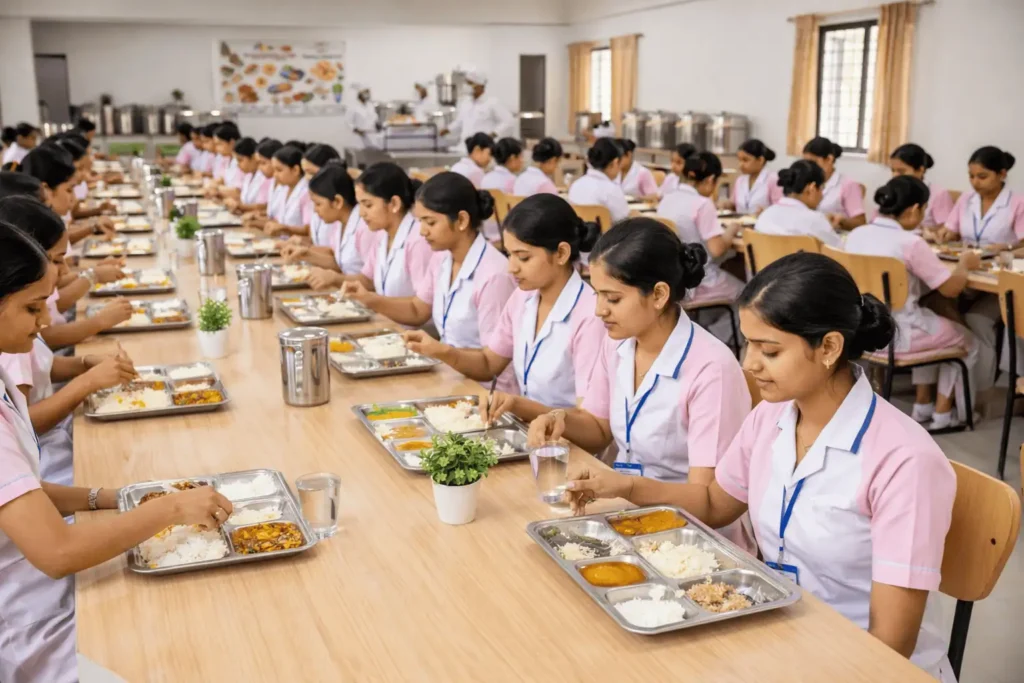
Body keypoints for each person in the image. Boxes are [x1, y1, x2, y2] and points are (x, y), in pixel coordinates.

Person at [563, 251, 956, 682]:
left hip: (858, 662)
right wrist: (625, 487)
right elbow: (715, 502)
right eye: (748, 344)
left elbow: (891, 644)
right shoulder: (773, 416)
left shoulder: (903, 460)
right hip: (782, 634)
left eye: (769, 350)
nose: (749, 363)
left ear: (828, 347)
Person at [0, 219, 235, 682]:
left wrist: (114, 496)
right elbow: (58, 553)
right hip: (28, 612)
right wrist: (171, 508)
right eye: (32, 308)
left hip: (36, 581)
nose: (46, 320)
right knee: (187, 640)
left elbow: (19, 492)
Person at [527, 218, 751, 487]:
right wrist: (558, 418)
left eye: (613, 299)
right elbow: (598, 428)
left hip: (685, 519)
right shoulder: (617, 343)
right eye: (597, 294)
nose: (599, 310)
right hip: (627, 503)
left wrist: (630, 489)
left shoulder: (711, 368)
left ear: (658, 295)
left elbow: (704, 496)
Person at [405, 194, 604, 422]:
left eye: (523, 258)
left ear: (561, 253)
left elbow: (591, 424)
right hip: (530, 431)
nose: (511, 268)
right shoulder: (523, 297)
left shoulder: (590, 315)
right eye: (509, 255)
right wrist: (440, 350)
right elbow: (490, 363)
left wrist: (520, 405)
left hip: (571, 445)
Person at [0, 197, 136, 485]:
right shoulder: (11, 334)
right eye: (58, 259)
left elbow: (40, 364)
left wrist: (86, 364)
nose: (64, 270)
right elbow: (26, 423)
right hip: (46, 463)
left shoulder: (17, 321)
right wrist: (86, 382)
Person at [341, 172, 517, 386]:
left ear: (461, 220)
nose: (422, 232)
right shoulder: (443, 258)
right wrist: (368, 298)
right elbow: (418, 309)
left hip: (485, 390)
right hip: (451, 375)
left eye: (430, 222)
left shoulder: (494, 275)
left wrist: (441, 351)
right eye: (420, 221)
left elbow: (490, 364)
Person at [846, 176, 989, 430]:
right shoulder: (910, 243)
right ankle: (945, 415)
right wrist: (965, 264)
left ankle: (923, 406)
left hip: (861, 330)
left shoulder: (856, 234)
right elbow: (950, 289)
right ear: (914, 209)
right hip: (898, 336)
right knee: (968, 341)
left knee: (936, 326)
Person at [934, 146, 1024, 377]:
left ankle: (982, 390)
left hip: (998, 282)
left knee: (977, 320)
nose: (975, 182)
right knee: (938, 305)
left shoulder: (1017, 203)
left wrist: (1007, 248)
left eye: (982, 176)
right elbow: (951, 231)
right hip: (969, 275)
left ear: (1002, 174)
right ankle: (952, 385)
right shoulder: (966, 199)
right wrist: (944, 234)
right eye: (971, 176)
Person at [657, 152, 744, 344]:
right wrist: (731, 230)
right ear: (711, 180)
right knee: (748, 295)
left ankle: (702, 335)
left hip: (673, 276)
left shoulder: (667, 198)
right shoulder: (702, 204)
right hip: (700, 280)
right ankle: (713, 340)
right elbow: (716, 249)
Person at [308, 162, 430, 297]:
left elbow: (421, 307)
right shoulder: (382, 234)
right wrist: (334, 278)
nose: (361, 213)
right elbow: (367, 279)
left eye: (368, 205)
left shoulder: (418, 241)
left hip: (393, 317)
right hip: (385, 316)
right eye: (360, 204)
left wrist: (371, 301)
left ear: (394, 203)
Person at [290, 164, 373, 284]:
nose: (315, 210)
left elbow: (371, 281)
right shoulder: (341, 223)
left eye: (318, 204)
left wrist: (335, 279)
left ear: (337, 202)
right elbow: (339, 263)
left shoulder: (364, 228)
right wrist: (307, 254)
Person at [754, 160, 842, 247]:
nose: (822, 196)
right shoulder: (815, 219)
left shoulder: (765, 215)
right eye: (822, 188)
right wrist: (827, 227)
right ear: (812, 188)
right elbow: (839, 251)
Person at [802, 136, 866, 230]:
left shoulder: (848, 185)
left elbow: (861, 223)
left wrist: (841, 221)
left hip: (834, 239)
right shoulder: (805, 182)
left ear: (829, 159)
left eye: (814, 162)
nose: (809, 167)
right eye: (805, 163)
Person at [888, 144, 954, 229]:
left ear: (920, 170)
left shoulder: (938, 193)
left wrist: (922, 230)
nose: (895, 175)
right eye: (893, 170)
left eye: (901, 171)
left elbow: (947, 230)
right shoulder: (890, 190)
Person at [440, 69, 515, 141]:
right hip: (465, 146)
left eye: (470, 83)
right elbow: (459, 122)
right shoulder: (465, 103)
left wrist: (492, 135)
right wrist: (446, 130)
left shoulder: (492, 103)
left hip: (484, 147)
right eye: (466, 83)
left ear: (480, 85)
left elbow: (508, 121)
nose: (466, 86)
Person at [567, 138, 630, 223]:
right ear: (615, 162)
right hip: (605, 236)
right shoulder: (612, 190)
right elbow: (624, 222)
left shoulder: (576, 185)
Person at [719, 139, 782, 215]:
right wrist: (725, 205)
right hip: (741, 224)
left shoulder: (773, 179)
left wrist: (766, 212)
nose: (740, 165)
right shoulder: (740, 180)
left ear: (760, 160)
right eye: (739, 160)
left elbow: (780, 210)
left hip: (763, 225)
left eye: (745, 160)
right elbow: (733, 204)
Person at [298, 144, 342, 246]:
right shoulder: (316, 198)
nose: (306, 178)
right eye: (304, 173)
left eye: (311, 173)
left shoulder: (338, 206)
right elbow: (315, 240)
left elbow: (334, 254)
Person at [263, 145, 310, 238]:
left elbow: (308, 230)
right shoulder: (284, 188)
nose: (275, 175)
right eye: (274, 170)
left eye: (279, 170)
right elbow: (279, 220)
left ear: (295, 170)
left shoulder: (306, 193)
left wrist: (285, 229)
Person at [233, 138, 280, 218]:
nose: (260, 167)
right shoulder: (250, 175)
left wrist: (241, 207)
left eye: (263, 163)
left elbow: (264, 206)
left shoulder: (267, 178)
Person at [347, 84, 381, 149]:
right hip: (359, 137)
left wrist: (377, 125)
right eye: (366, 92)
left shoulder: (370, 105)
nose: (368, 94)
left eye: (368, 92)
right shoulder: (353, 106)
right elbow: (348, 122)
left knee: (372, 154)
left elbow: (374, 117)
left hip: (371, 135)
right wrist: (356, 130)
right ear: (360, 94)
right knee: (361, 154)